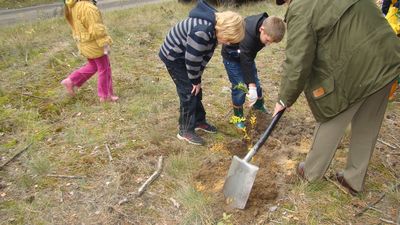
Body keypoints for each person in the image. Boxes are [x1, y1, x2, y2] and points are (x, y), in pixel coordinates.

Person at [273, 0, 400, 195]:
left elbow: (298, 60)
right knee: (368, 123)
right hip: (387, 55)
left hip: (357, 67)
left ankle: (311, 173)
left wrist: (284, 99)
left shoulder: (302, 7)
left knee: (331, 115)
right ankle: (353, 180)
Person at [159, 0, 245, 145]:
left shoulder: (214, 31)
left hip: (187, 56)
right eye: (229, 40)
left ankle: (199, 121)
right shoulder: (202, 31)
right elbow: (192, 59)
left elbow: (205, 56)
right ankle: (185, 130)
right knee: (188, 92)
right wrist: (194, 80)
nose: (228, 44)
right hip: (174, 57)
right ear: (224, 30)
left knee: (196, 90)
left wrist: (197, 78)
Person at [221, 13, 285, 129]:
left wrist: (253, 85)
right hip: (232, 58)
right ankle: (238, 117)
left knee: (255, 82)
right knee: (240, 87)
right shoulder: (248, 35)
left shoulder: (269, 25)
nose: (268, 44)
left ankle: (258, 106)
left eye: (271, 42)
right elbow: (245, 61)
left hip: (247, 56)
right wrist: (251, 86)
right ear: (262, 29)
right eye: (267, 40)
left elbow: (248, 60)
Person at [61, 0, 118, 102]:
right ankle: (105, 95)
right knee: (104, 68)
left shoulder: (73, 5)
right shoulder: (88, 8)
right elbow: (97, 30)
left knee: (93, 66)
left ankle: (71, 80)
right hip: (94, 44)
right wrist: (105, 44)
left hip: (84, 43)